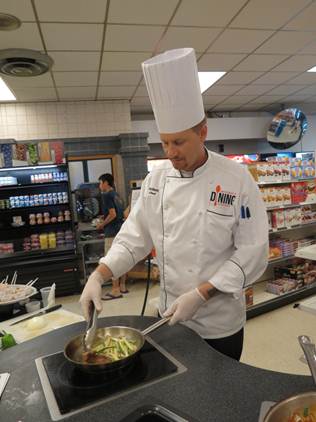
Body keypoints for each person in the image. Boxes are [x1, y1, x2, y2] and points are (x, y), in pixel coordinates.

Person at [80, 48, 269, 361]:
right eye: (165, 141)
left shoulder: (237, 180)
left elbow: (252, 251)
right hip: (167, 316)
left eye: (179, 141)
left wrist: (201, 293)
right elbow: (133, 238)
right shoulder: (156, 180)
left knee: (216, 400)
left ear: (203, 132)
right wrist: (98, 276)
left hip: (219, 323)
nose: (169, 152)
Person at [96, 173, 128, 299]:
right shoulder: (116, 194)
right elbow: (121, 213)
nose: (99, 186)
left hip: (111, 231)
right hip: (121, 229)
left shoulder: (106, 195)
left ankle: (115, 290)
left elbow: (113, 214)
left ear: (106, 183)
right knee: (122, 258)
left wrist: (102, 224)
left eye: (100, 183)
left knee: (111, 260)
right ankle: (123, 286)